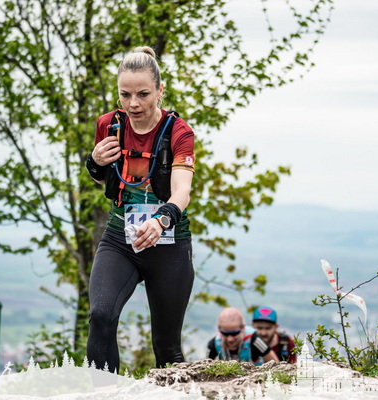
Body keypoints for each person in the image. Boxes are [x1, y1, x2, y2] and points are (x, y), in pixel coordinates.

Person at [85, 46, 196, 373]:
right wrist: (94, 162)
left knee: (167, 347)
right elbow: (105, 180)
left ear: (160, 91)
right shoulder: (108, 124)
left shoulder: (179, 132)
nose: (133, 103)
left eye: (143, 94)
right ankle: (104, 394)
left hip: (168, 241)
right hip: (121, 237)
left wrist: (161, 220)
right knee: (101, 316)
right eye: (125, 95)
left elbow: (182, 191)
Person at [207, 307, 279, 364]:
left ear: (243, 328)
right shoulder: (214, 343)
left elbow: (275, 364)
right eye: (225, 333)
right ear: (219, 329)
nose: (230, 339)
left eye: (234, 333)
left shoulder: (254, 339)